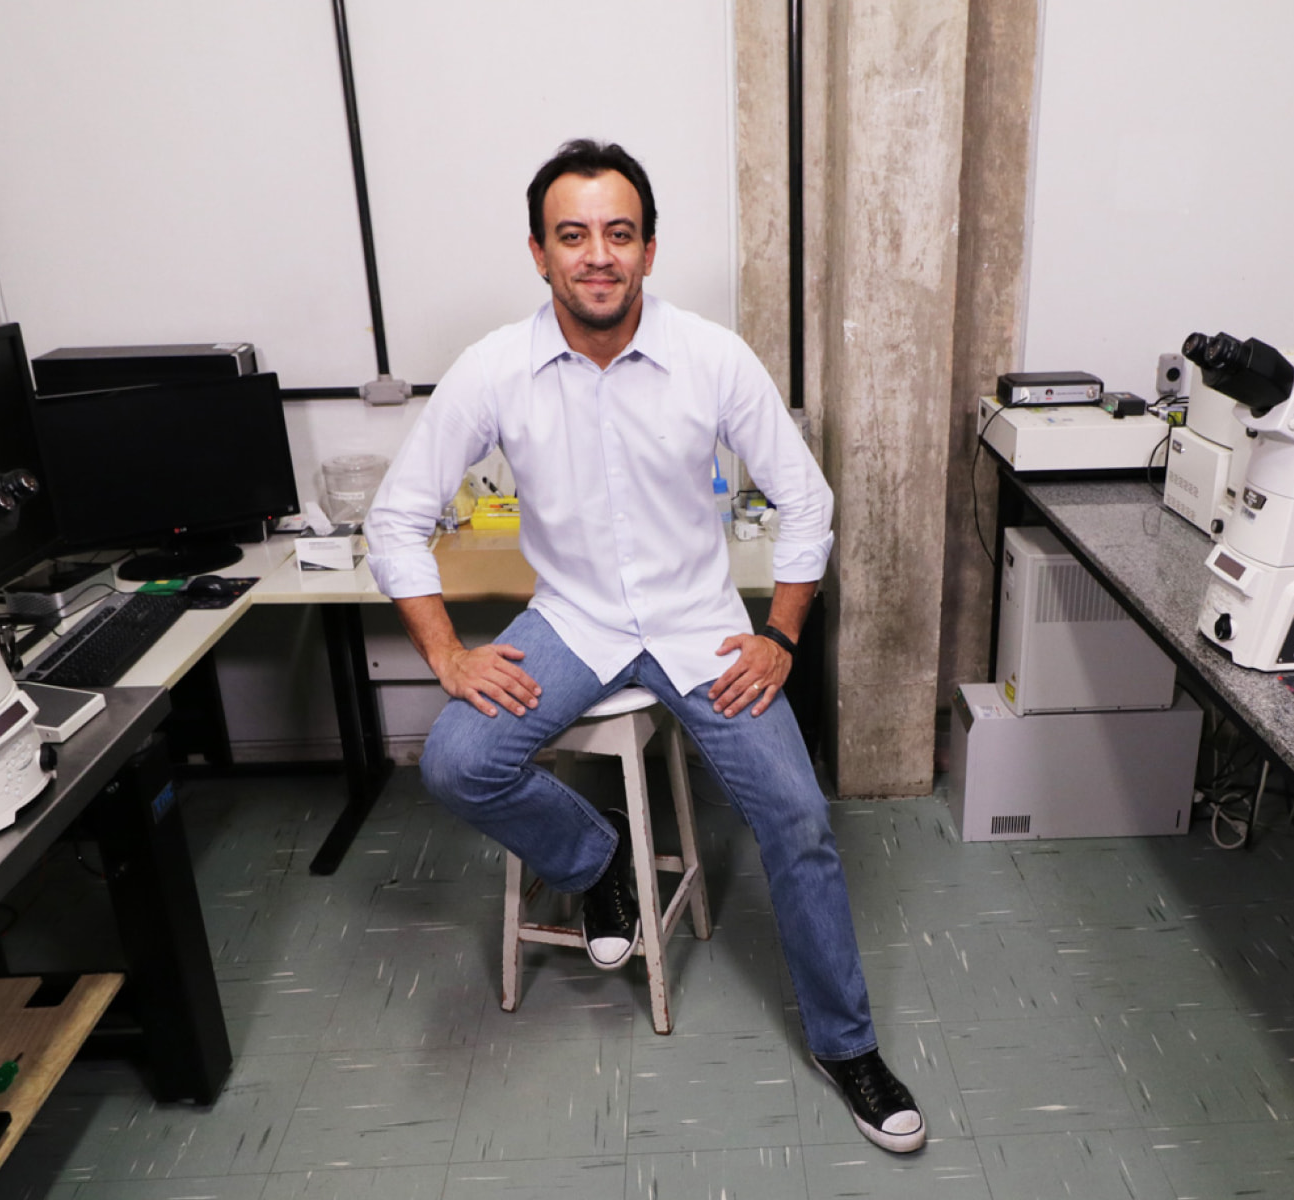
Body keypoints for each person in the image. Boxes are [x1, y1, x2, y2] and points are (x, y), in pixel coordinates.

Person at [364, 138, 924, 1154]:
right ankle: (598, 856)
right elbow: (396, 518)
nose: (597, 255)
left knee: (797, 818)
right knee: (452, 760)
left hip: (700, 624)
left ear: (649, 250)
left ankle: (848, 1047)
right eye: (573, 235)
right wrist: (448, 656)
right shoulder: (495, 369)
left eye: (618, 234)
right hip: (572, 618)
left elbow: (806, 500)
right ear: (539, 253)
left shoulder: (712, 357)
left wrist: (781, 636)